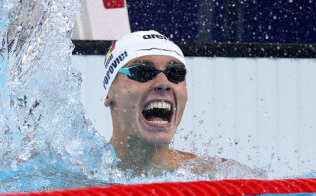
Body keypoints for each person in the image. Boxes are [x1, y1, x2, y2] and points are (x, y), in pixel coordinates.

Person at [102, 30, 263, 178]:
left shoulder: (217, 174)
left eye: (175, 73)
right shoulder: (81, 170)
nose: (164, 83)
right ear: (110, 93)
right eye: (142, 71)